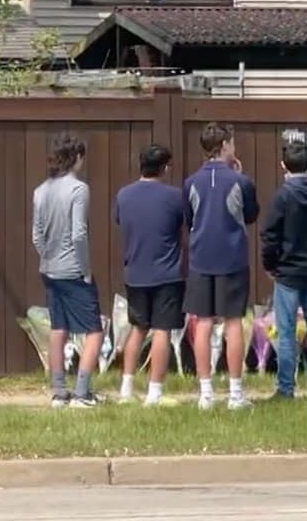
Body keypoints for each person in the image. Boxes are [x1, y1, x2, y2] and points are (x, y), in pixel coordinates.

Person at [183, 122, 260, 410]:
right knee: (233, 322)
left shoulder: (190, 183)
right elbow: (250, 215)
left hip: (201, 258)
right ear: (225, 145)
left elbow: (189, 218)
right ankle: (235, 394)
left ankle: (206, 394)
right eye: (233, 143)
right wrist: (239, 175)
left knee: (203, 322)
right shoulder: (242, 182)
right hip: (232, 258)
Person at [260, 140, 307, 399]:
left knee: (286, 330)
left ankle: (286, 388)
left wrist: (270, 265)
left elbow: (270, 235)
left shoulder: (282, 196)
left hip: (288, 273)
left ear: (284, 165)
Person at [33, 134, 104, 408]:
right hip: (73, 270)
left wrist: (48, 258)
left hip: (49, 270)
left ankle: (59, 392)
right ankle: (82, 393)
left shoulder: (40, 191)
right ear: (77, 157)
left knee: (58, 329)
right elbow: (78, 234)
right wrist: (85, 269)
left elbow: (37, 236)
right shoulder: (79, 189)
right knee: (94, 331)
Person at [114, 144, 186, 406]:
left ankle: (126, 388)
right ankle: (154, 392)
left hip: (135, 272)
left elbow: (120, 221)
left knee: (137, 329)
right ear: (164, 168)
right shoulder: (175, 197)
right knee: (162, 331)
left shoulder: (124, 195)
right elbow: (184, 225)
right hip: (167, 273)